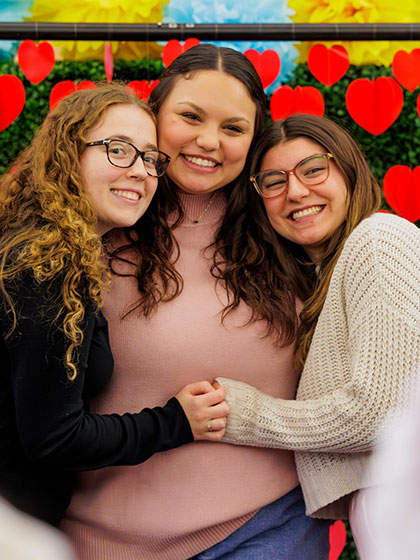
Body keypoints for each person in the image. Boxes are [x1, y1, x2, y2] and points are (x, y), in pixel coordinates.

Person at [60, 46, 331, 559]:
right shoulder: (86, 233)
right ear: (153, 114)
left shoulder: (289, 230)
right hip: (101, 537)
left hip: (267, 529)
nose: (209, 141)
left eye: (234, 128)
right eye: (190, 117)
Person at [0, 82, 228, 528]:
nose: (142, 171)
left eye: (149, 158)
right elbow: (54, 438)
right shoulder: (46, 266)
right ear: (69, 154)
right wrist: (175, 422)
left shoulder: (44, 248)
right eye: (118, 149)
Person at [214, 114, 420, 554]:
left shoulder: (379, 239)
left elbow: (380, 415)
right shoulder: (325, 276)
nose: (296, 192)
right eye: (273, 181)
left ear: (347, 169)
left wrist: (250, 415)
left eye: (312, 169)